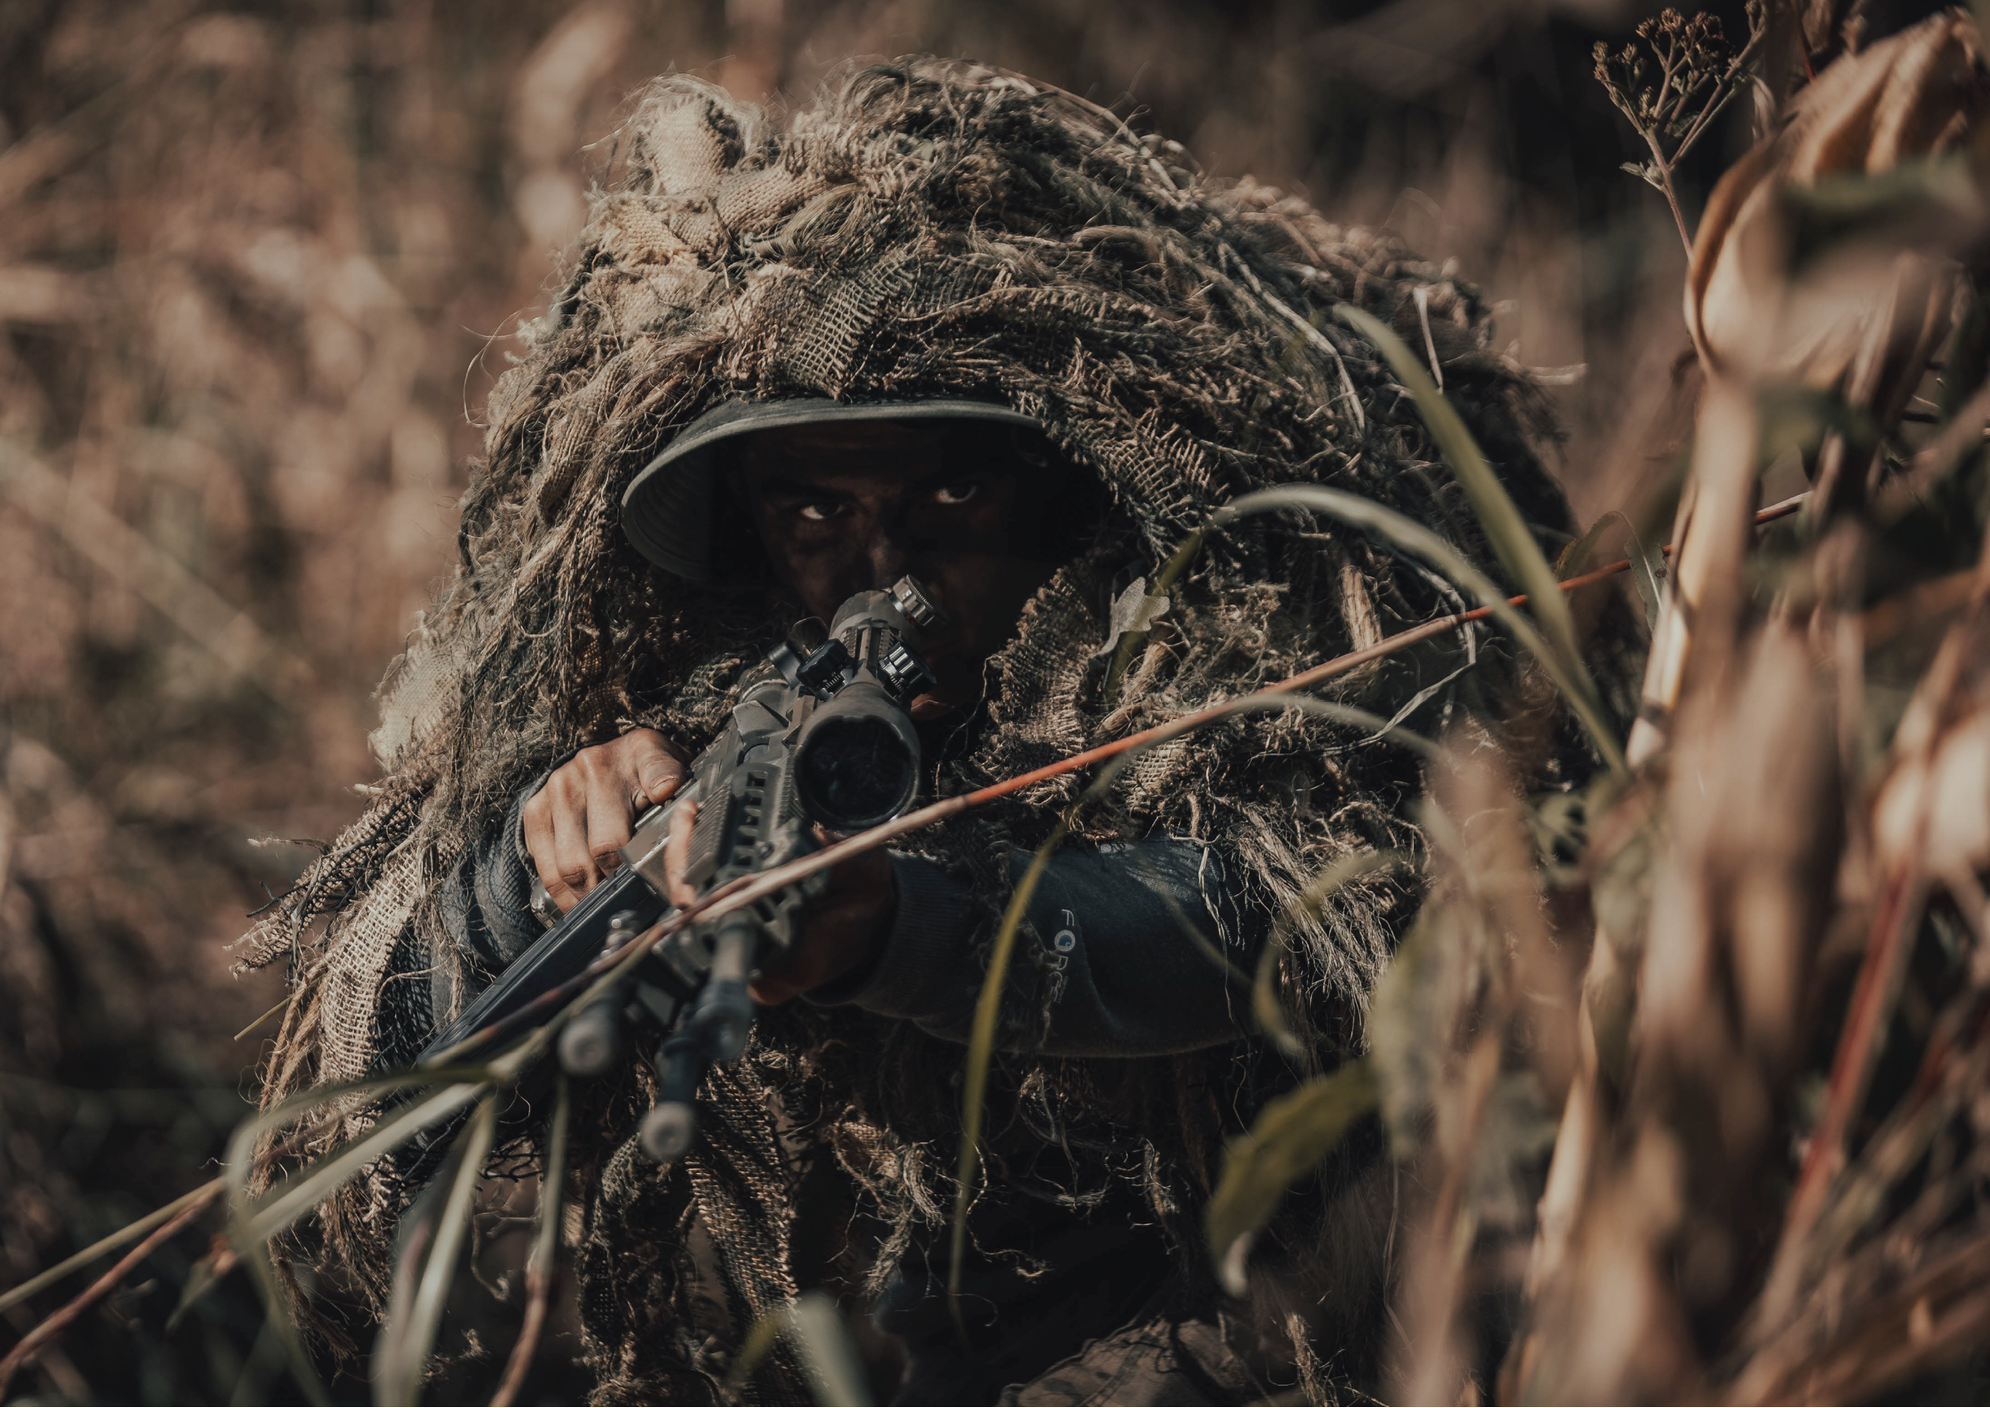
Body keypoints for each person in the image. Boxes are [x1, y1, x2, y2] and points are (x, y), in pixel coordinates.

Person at [237, 59, 1587, 1405]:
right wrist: (539, 873)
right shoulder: (687, 670)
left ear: (1055, 498)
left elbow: (1271, 923)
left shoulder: (1185, 652)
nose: (886, 565)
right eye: (812, 511)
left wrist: (901, 928)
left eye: (952, 494)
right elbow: (385, 1071)